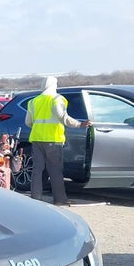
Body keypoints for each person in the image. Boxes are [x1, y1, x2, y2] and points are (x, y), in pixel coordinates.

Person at [24, 76, 91, 205]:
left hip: (37, 139)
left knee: (37, 170)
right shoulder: (57, 99)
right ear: (54, 85)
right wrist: (80, 124)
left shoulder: (33, 101)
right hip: (53, 140)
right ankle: (60, 200)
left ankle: (35, 199)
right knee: (55, 170)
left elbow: (28, 122)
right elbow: (63, 118)